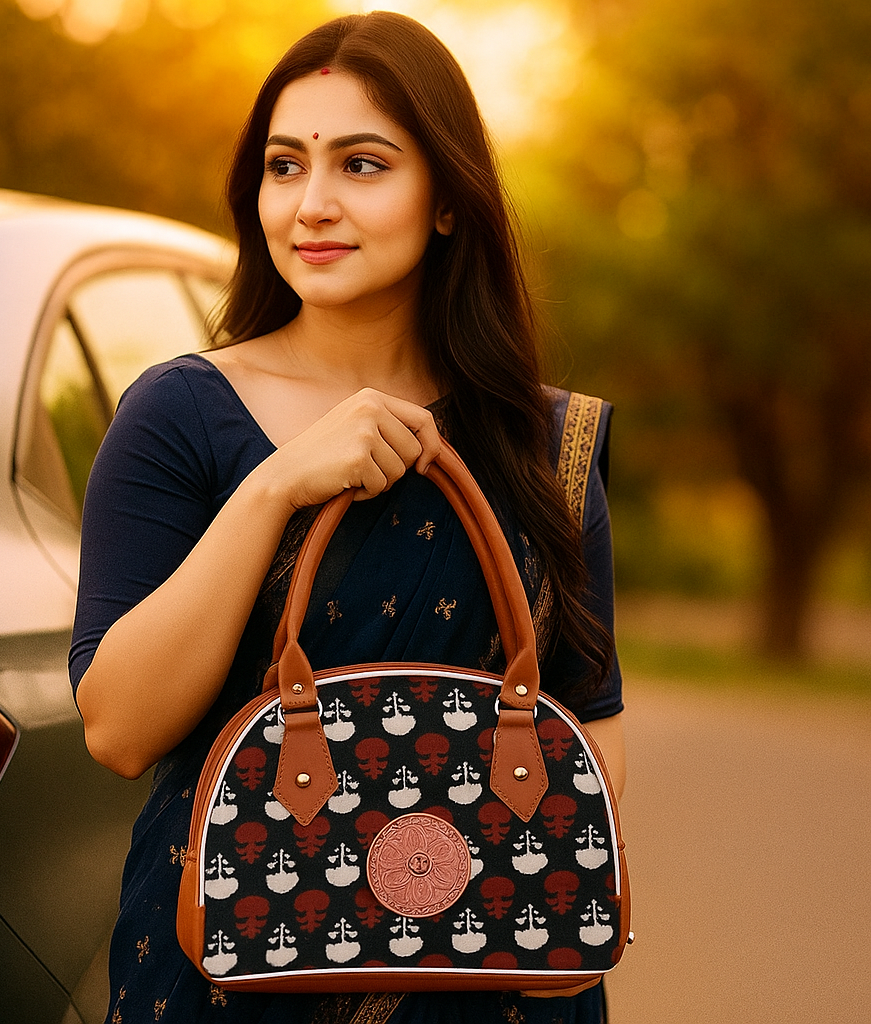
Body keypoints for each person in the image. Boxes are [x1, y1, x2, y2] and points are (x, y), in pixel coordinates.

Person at [70, 11, 625, 1024]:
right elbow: (117, 726)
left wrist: (425, 885)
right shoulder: (179, 414)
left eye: (361, 165)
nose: (312, 205)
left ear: (449, 198)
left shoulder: (549, 446)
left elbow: (587, 746)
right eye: (285, 166)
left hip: (488, 982)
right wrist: (276, 486)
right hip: (231, 976)